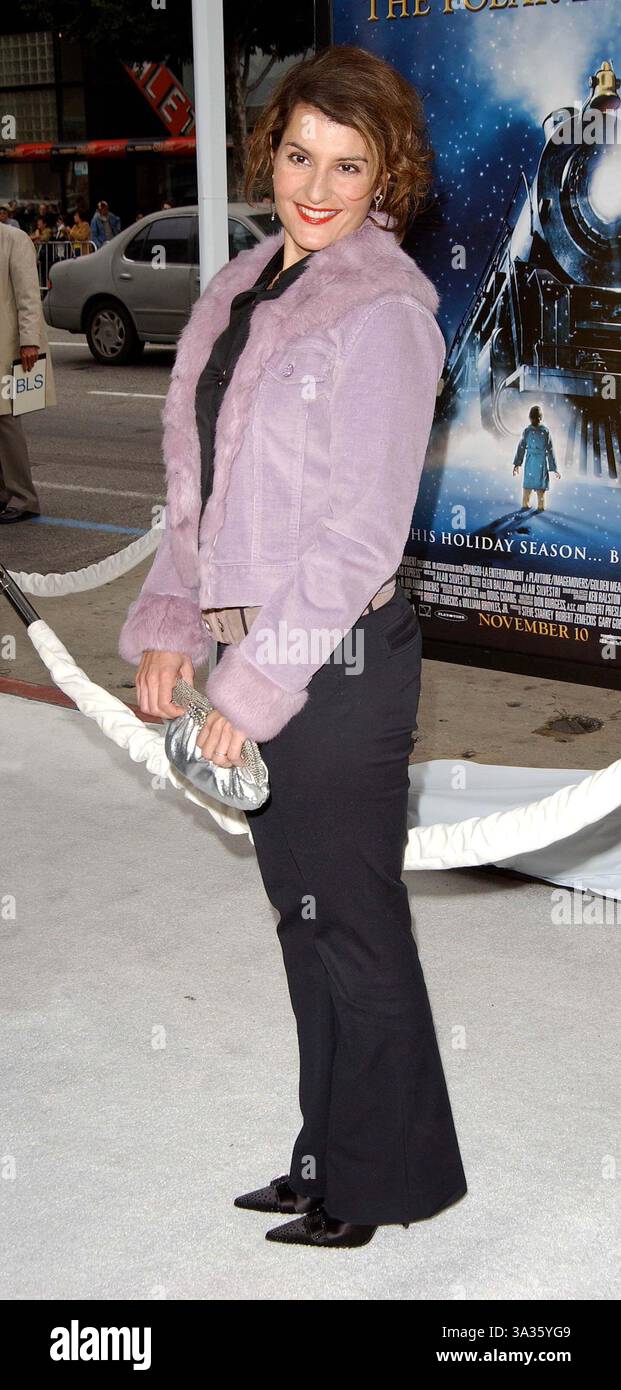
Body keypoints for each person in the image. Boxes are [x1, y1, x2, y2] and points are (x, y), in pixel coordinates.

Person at [118, 43, 468, 1250]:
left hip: (337, 664)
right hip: (262, 656)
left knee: (351, 926)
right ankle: (329, 1153)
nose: (318, 187)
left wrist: (251, 689)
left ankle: (372, 1186)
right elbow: (200, 493)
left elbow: (357, 534)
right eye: (300, 155)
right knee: (307, 917)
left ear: (390, 180)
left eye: (350, 165)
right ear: (270, 152)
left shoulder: (384, 316)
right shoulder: (244, 289)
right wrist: (172, 622)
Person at [0, 222, 57, 521]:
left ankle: (23, 497)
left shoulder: (14, 239)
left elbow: (28, 297)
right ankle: (4, 493)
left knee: (6, 420)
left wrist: (29, 341)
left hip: (8, 347)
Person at [512, 405, 561, 511]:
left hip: (531, 461)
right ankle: (540, 506)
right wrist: (553, 468)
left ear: (530, 417)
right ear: (541, 417)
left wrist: (517, 463)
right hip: (540, 462)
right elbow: (550, 450)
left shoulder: (528, 431)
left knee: (528, 485)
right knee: (540, 486)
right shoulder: (544, 431)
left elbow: (521, 447)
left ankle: (526, 504)